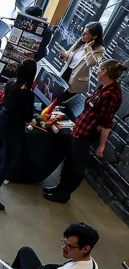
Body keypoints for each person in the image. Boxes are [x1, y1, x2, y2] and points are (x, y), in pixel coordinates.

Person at [44, 59, 125, 204]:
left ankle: (65, 193)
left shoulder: (112, 94)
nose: (97, 71)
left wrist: (101, 145)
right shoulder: (103, 87)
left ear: (105, 71)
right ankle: (60, 187)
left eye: (99, 68)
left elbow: (106, 123)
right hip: (80, 128)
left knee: (77, 167)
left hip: (86, 134)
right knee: (69, 160)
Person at [0, 59, 37, 211]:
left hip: (0, 122)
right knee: (7, 163)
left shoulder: (11, 83)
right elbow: (28, 118)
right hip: (13, 130)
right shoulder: (28, 94)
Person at [57, 21, 104, 99]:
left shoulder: (100, 49)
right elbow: (69, 54)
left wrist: (88, 48)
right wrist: (64, 55)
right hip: (66, 72)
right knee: (54, 95)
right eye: (83, 32)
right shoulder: (81, 41)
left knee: (62, 101)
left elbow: (91, 63)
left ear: (94, 36)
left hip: (77, 81)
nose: (82, 35)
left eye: (85, 33)